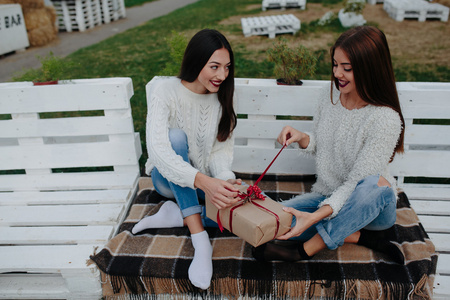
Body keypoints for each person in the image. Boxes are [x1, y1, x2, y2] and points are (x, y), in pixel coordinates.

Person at [252, 26, 406, 264]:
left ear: (370, 69)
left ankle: (304, 250)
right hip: (327, 195)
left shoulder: (385, 118)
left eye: (347, 68)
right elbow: (324, 143)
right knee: (271, 220)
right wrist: (303, 137)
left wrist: (313, 218)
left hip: (370, 209)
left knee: (374, 185)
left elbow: (357, 183)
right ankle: (359, 237)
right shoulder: (330, 94)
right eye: (335, 65)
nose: (337, 74)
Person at [132, 29, 242, 290]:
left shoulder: (223, 95)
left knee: (236, 216)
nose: (222, 75)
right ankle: (199, 239)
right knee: (176, 138)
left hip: (203, 183)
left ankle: (175, 215)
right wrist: (204, 182)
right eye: (214, 66)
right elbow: (159, 150)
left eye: (226, 67)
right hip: (167, 180)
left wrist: (225, 181)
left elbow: (220, 151)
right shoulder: (165, 91)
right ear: (196, 61)